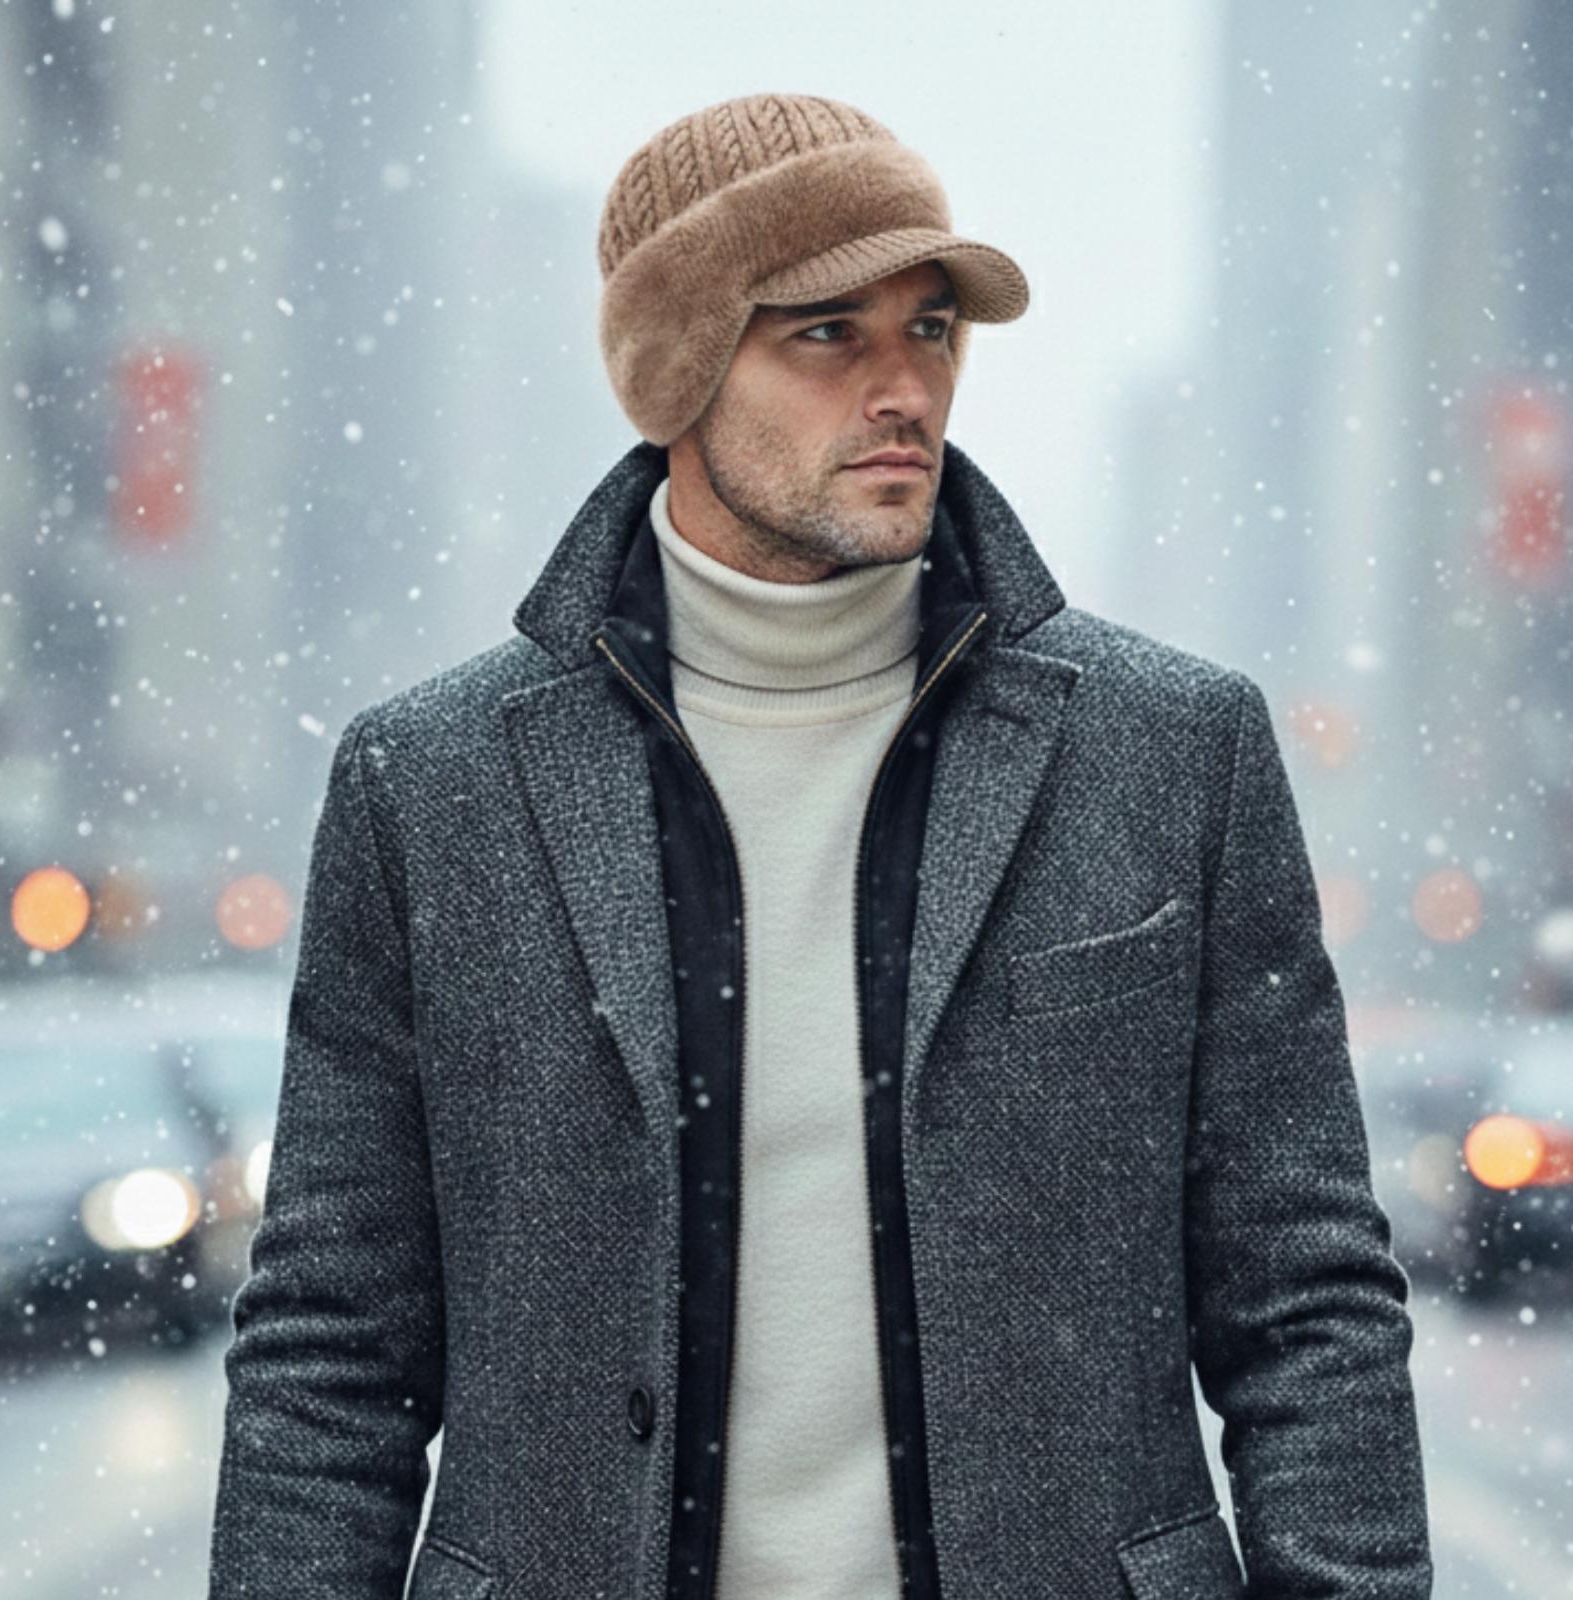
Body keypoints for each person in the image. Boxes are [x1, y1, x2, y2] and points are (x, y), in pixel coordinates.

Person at [206, 92, 1433, 1600]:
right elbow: (335, 1346)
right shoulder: (432, 785)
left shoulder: (1173, 752)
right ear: (676, 369)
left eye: (929, 330)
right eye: (826, 335)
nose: (904, 388)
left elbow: (1306, 1300)